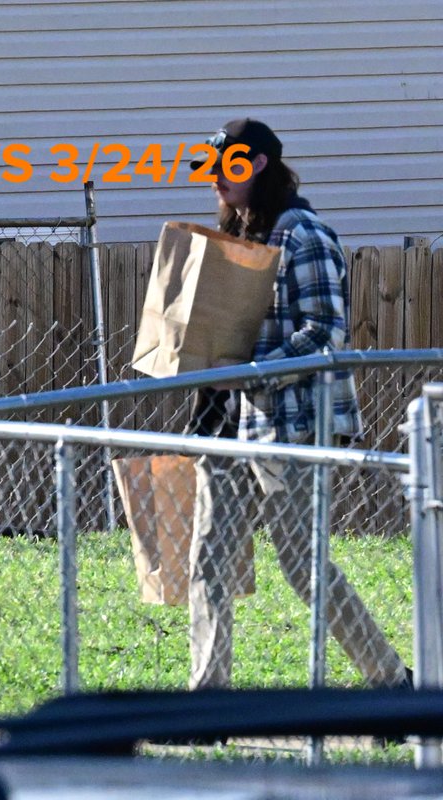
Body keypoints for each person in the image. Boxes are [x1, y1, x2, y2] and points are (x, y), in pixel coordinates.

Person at [185, 118, 408, 690]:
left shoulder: (301, 234)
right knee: (208, 562)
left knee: (303, 566)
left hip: (295, 425)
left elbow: (325, 332)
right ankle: (210, 703)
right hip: (229, 423)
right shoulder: (239, 241)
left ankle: (390, 683)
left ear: (258, 165)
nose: (215, 182)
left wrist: (250, 374)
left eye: (225, 168)